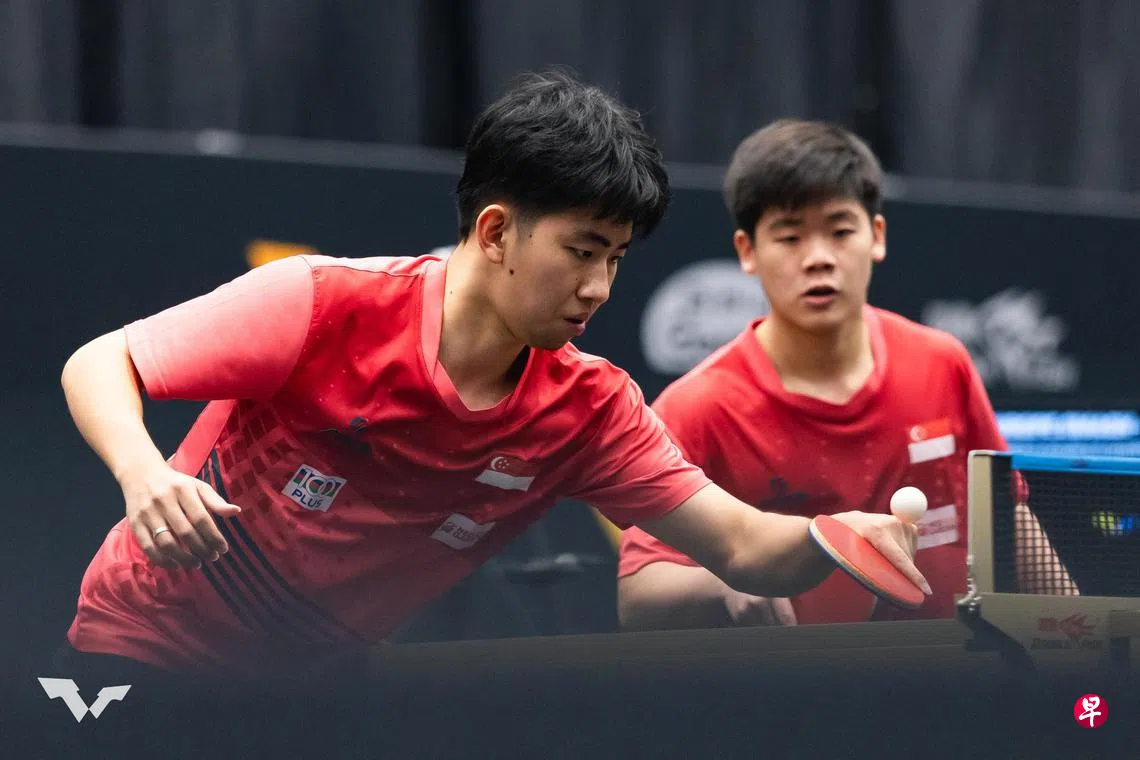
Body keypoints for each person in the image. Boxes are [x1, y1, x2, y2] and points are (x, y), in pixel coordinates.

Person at [58, 75, 926, 680]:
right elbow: (101, 362)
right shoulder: (320, 303)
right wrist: (143, 474)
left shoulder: (589, 411)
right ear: (498, 231)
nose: (599, 287)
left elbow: (740, 545)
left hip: (313, 683)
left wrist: (836, 537)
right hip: (145, 643)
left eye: (617, 258)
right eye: (582, 251)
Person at [617, 119, 1075, 632]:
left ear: (876, 237)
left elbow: (1007, 516)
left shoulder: (943, 362)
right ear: (748, 251)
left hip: (954, 665)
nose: (818, 259)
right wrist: (723, 583)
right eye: (790, 237)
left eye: (840, 231)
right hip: (801, 676)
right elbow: (638, 596)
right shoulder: (697, 406)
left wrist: (1079, 630)